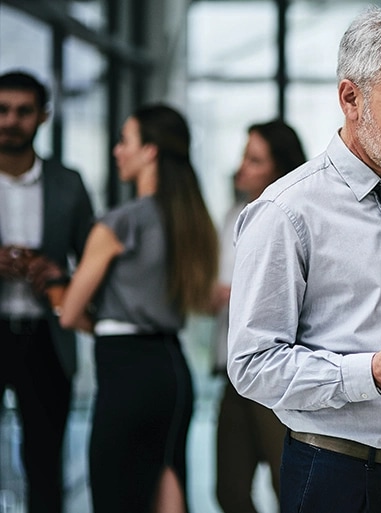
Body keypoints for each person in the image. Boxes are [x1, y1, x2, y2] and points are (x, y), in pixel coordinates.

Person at [227, 6, 381, 513]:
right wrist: (372, 374)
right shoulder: (285, 212)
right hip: (339, 480)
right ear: (350, 98)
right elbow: (252, 365)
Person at [57, 104, 218, 513]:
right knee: (169, 490)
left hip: (126, 373)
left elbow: (71, 313)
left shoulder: (118, 223)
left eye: (124, 140)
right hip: (172, 374)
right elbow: (199, 299)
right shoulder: (189, 220)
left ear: (150, 151)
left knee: (114, 499)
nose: (116, 151)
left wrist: (52, 284)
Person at [0, 70, 94, 513]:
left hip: (47, 339)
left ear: (43, 117)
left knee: (44, 464)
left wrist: (57, 273)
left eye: (22, 111)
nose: (10, 120)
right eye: (2, 110)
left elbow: (94, 265)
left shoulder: (68, 183)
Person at [212, 120, 306, 513]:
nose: (241, 168)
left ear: (278, 168)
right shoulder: (234, 215)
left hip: (278, 373)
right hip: (233, 373)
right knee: (228, 488)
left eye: (254, 160)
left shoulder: (295, 217)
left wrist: (242, 298)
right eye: (244, 157)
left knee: (286, 485)